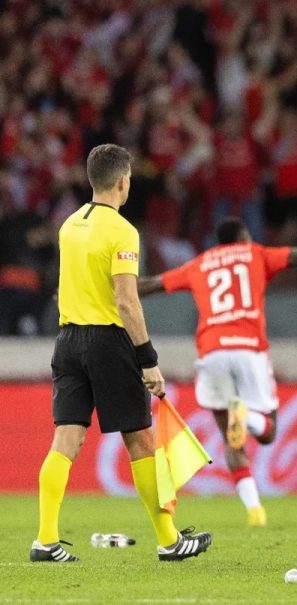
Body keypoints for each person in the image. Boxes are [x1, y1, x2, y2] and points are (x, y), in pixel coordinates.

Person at [32, 144, 211, 563]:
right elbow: (127, 301)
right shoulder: (123, 231)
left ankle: (45, 539)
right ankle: (169, 541)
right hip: (108, 343)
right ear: (122, 181)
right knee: (142, 442)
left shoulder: (69, 224)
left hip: (67, 341)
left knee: (66, 439)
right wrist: (148, 358)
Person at [138, 218, 297, 526]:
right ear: (243, 237)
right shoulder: (254, 253)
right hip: (248, 349)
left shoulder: (200, 263)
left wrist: (104, 292)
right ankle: (248, 416)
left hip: (212, 353)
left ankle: (255, 511)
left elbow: (152, 284)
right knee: (268, 431)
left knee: (231, 439)